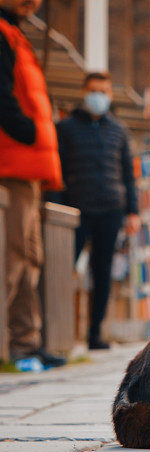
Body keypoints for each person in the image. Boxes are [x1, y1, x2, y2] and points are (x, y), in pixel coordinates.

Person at [0, 0, 65, 367]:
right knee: (10, 258)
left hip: (27, 166)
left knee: (28, 258)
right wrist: (27, 131)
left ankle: (25, 343)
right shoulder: (3, 35)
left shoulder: (16, 34)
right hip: (11, 161)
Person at [56, 72, 140, 350]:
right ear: (84, 91)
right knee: (62, 268)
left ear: (110, 95)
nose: (98, 96)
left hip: (110, 210)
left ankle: (95, 334)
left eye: (104, 91)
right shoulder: (66, 128)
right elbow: (58, 169)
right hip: (75, 210)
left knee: (102, 272)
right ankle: (58, 332)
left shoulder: (118, 131)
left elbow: (128, 173)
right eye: (94, 90)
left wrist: (132, 211)